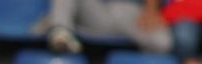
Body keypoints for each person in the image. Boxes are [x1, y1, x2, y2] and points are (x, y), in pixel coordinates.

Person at [43, 0, 173, 54]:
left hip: (131, 13)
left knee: (162, 43)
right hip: (99, 11)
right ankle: (61, 31)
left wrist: (150, 9)